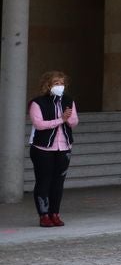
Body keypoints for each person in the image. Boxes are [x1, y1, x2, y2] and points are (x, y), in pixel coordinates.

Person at [28, 71, 77, 227]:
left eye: (62, 83)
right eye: (56, 83)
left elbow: (74, 122)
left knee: (58, 182)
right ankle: (44, 215)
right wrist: (60, 119)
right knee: (44, 181)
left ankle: (55, 213)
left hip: (64, 146)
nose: (60, 86)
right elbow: (39, 124)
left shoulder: (68, 101)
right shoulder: (38, 102)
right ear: (48, 85)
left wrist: (68, 119)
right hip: (42, 148)